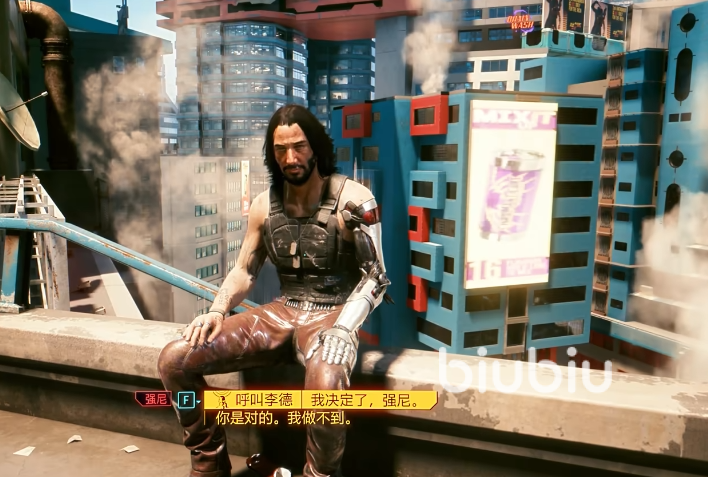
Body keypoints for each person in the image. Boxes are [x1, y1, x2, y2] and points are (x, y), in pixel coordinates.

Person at [157, 104, 391, 477]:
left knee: (326, 389)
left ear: (316, 147)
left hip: (333, 315)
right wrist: (217, 310)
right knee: (174, 360)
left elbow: (376, 277)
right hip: (282, 312)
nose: (291, 158)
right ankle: (208, 463)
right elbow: (244, 269)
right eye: (281, 149)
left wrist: (344, 328)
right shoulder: (264, 205)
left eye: (299, 146)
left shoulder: (355, 199)